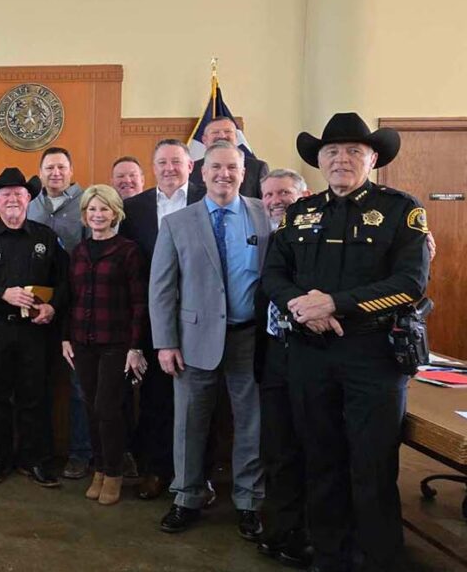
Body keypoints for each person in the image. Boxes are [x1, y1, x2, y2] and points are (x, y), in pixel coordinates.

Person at [263, 112, 431, 572]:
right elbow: (273, 275)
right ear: (319, 160)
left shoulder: (402, 210)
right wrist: (301, 307)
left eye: (354, 151)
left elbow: (410, 284)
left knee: (373, 467)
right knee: (321, 462)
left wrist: (335, 304)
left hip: (373, 358)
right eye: (332, 151)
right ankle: (331, 557)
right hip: (310, 355)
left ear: (373, 157)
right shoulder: (299, 212)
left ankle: (380, 559)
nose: (342, 159)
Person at [150, 142, 269, 539]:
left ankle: (249, 502)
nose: (224, 174)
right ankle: (187, 497)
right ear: (201, 173)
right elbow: (162, 289)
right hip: (193, 340)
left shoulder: (262, 215)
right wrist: (165, 342)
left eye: (232, 167)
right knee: (189, 424)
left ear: (243, 171)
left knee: (251, 425)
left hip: (248, 339)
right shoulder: (178, 223)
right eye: (215, 167)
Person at [0, 167, 69, 488]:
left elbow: (65, 281)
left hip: (35, 332)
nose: (12, 199)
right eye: (5, 194)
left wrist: (52, 307)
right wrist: (2, 293)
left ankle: (34, 460)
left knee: (34, 396)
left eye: (18, 194)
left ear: (28, 199)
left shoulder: (45, 237)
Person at [118, 138, 206, 500]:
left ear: (190, 166)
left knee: (202, 399)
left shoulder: (207, 198)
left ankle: (199, 476)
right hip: (154, 317)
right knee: (156, 398)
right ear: (152, 169)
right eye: (162, 163)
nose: (169, 169)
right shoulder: (133, 208)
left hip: (202, 316)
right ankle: (157, 470)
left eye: (176, 162)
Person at [61, 184, 147, 506]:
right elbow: (72, 298)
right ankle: (98, 468)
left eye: (104, 209)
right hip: (82, 341)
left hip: (117, 343)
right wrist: (66, 337)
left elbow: (139, 303)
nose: (98, 215)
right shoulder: (79, 252)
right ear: (85, 215)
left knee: (108, 408)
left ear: (115, 213)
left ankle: (113, 472)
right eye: (92, 210)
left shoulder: (128, 251)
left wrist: (135, 347)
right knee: (89, 407)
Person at [254, 168, 312, 567]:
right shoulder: (269, 236)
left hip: (313, 355)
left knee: (311, 444)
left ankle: (306, 530)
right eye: (270, 194)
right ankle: (278, 527)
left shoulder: (316, 237)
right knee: (278, 445)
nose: (277, 200)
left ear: (304, 195)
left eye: (286, 193)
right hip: (273, 351)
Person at [25, 146, 91, 481]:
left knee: (80, 386)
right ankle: (41, 453)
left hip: (78, 309)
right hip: (37, 313)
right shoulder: (29, 206)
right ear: (40, 172)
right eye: (49, 168)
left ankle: (80, 453)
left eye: (61, 167)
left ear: (70, 170)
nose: (55, 173)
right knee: (38, 384)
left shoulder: (85, 204)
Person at [189, 117, 270, 198]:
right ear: (204, 140)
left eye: (227, 131)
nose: (222, 135)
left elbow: (267, 203)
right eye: (215, 132)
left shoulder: (257, 168)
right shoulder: (191, 169)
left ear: (236, 138)